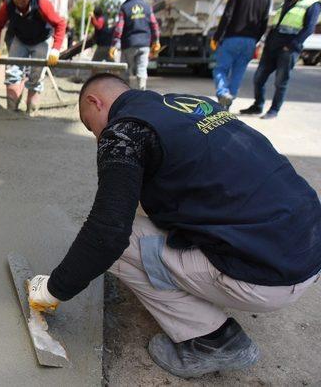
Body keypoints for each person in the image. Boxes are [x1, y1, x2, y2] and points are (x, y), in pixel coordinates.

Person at [28, 72, 321, 378]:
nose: (98, 138)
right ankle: (206, 283)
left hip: (270, 275)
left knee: (119, 245)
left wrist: (52, 290)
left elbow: (106, 234)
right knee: (138, 207)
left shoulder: (125, 132)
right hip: (305, 247)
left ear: (94, 102)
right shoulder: (187, 104)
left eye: (92, 128)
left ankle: (215, 341)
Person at [240, 0, 320, 119]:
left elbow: (309, 28)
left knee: (280, 82)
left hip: (288, 49)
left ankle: (274, 110)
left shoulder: (313, 3)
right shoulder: (286, 1)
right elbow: (277, 23)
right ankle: (257, 106)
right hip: (272, 46)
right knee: (259, 77)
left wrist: (291, 46)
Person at [0, 0, 66, 115]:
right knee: (13, 71)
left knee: (36, 75)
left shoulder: (42, 2)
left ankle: (31, 110)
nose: (20, 5)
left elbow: (60, 24)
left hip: (41, 39)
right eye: (17, 2)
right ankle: (11, 110)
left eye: (23, 1)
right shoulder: (8, 4)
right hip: (20, 39)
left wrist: (55, 49)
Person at [211, 0, 271, 110]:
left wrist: (217, 36)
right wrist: (255, 40)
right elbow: (264, 22)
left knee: (220, 69)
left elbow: (227, 15)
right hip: (250, 41)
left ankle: (223, 92)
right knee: (238, 71)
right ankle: (229, 98)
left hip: (232, 37)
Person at [110, 0, 161, 90]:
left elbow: (119, 28)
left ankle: (125, 94)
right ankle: (142, 92)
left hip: (129, 44)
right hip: (144, 44)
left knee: (126, 70)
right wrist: (156, 41)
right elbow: (154, 24)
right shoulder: (147, 6)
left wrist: (114, 44)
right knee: (142, 69)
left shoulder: (124, 7)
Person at [89, 6, 115, 74]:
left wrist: (92, 18)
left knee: (94, 64)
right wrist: (92, 19)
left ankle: (94, 78)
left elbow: (98, 26)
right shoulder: (105, 18)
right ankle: (117, 75)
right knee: (112, 64)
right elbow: (96, 25)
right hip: (108, 44)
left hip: (103, 45)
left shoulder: (101, 19)